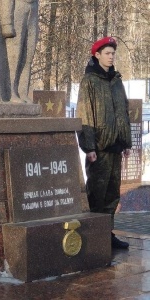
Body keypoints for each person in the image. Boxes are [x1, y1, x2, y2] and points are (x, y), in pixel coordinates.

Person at [76, 37, 132, 249]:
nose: (111, 57)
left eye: (112, 53)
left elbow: (123, 111)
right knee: (97, 193)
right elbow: (85, 115)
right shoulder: (90, 81)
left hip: (116, 145)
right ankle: (93, 236)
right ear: (97, 55)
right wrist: (89, 147)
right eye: (107, 53)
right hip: (99, 148)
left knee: (112, 194)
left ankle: (107, 234)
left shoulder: (116, 80)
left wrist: (126, 141)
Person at [0, 0, 39, 103]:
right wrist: (7, 22)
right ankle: (10, 92)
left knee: (28, 55)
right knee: (14, 56)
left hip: (33, 9)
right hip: (17, 7)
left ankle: (23, 92)